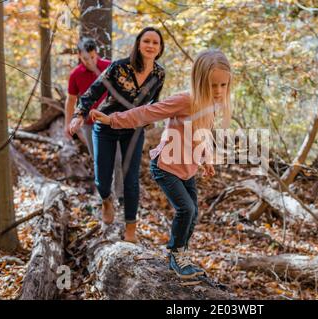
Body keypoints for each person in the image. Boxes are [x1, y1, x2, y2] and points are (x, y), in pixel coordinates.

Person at [90, 49, 231, 279]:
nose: (218, 91)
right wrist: (113, 119)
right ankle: (176, 257)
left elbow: (203, 132)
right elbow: (148, 112)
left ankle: (181, 257)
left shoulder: (214, 103)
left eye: (223, 85)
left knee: (193, 214)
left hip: (187, 169)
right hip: (165, 166)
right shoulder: (185, 100)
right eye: (212, 85)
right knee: (186, 209)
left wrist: (206, 158)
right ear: (199, 80)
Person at [69, 27, 166, 243]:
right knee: (103, 178)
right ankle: (106, 200)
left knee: (131, 180)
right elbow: (93, 91)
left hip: (133, 130)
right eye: (146, 41)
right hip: (105, 126)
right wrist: (78, 115)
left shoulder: (159, 74)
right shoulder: (119, 67)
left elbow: (154, 102)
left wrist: (150, 120)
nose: (150, 46)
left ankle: (130, 229)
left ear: (160, 48)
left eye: (155, 43)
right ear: (138, 44)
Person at [64, 37, 123, 202]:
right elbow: (70, 100)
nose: (90, 61)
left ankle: (120, 195)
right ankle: (105, 196)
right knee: (99, 160)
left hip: (112, 121)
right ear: (79, 56)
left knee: (118, 159)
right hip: (90, 125)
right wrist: (68, 123)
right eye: (85, 58)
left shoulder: (110, 67)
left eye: (92, 57)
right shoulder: (75, 74)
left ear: (96, 53)